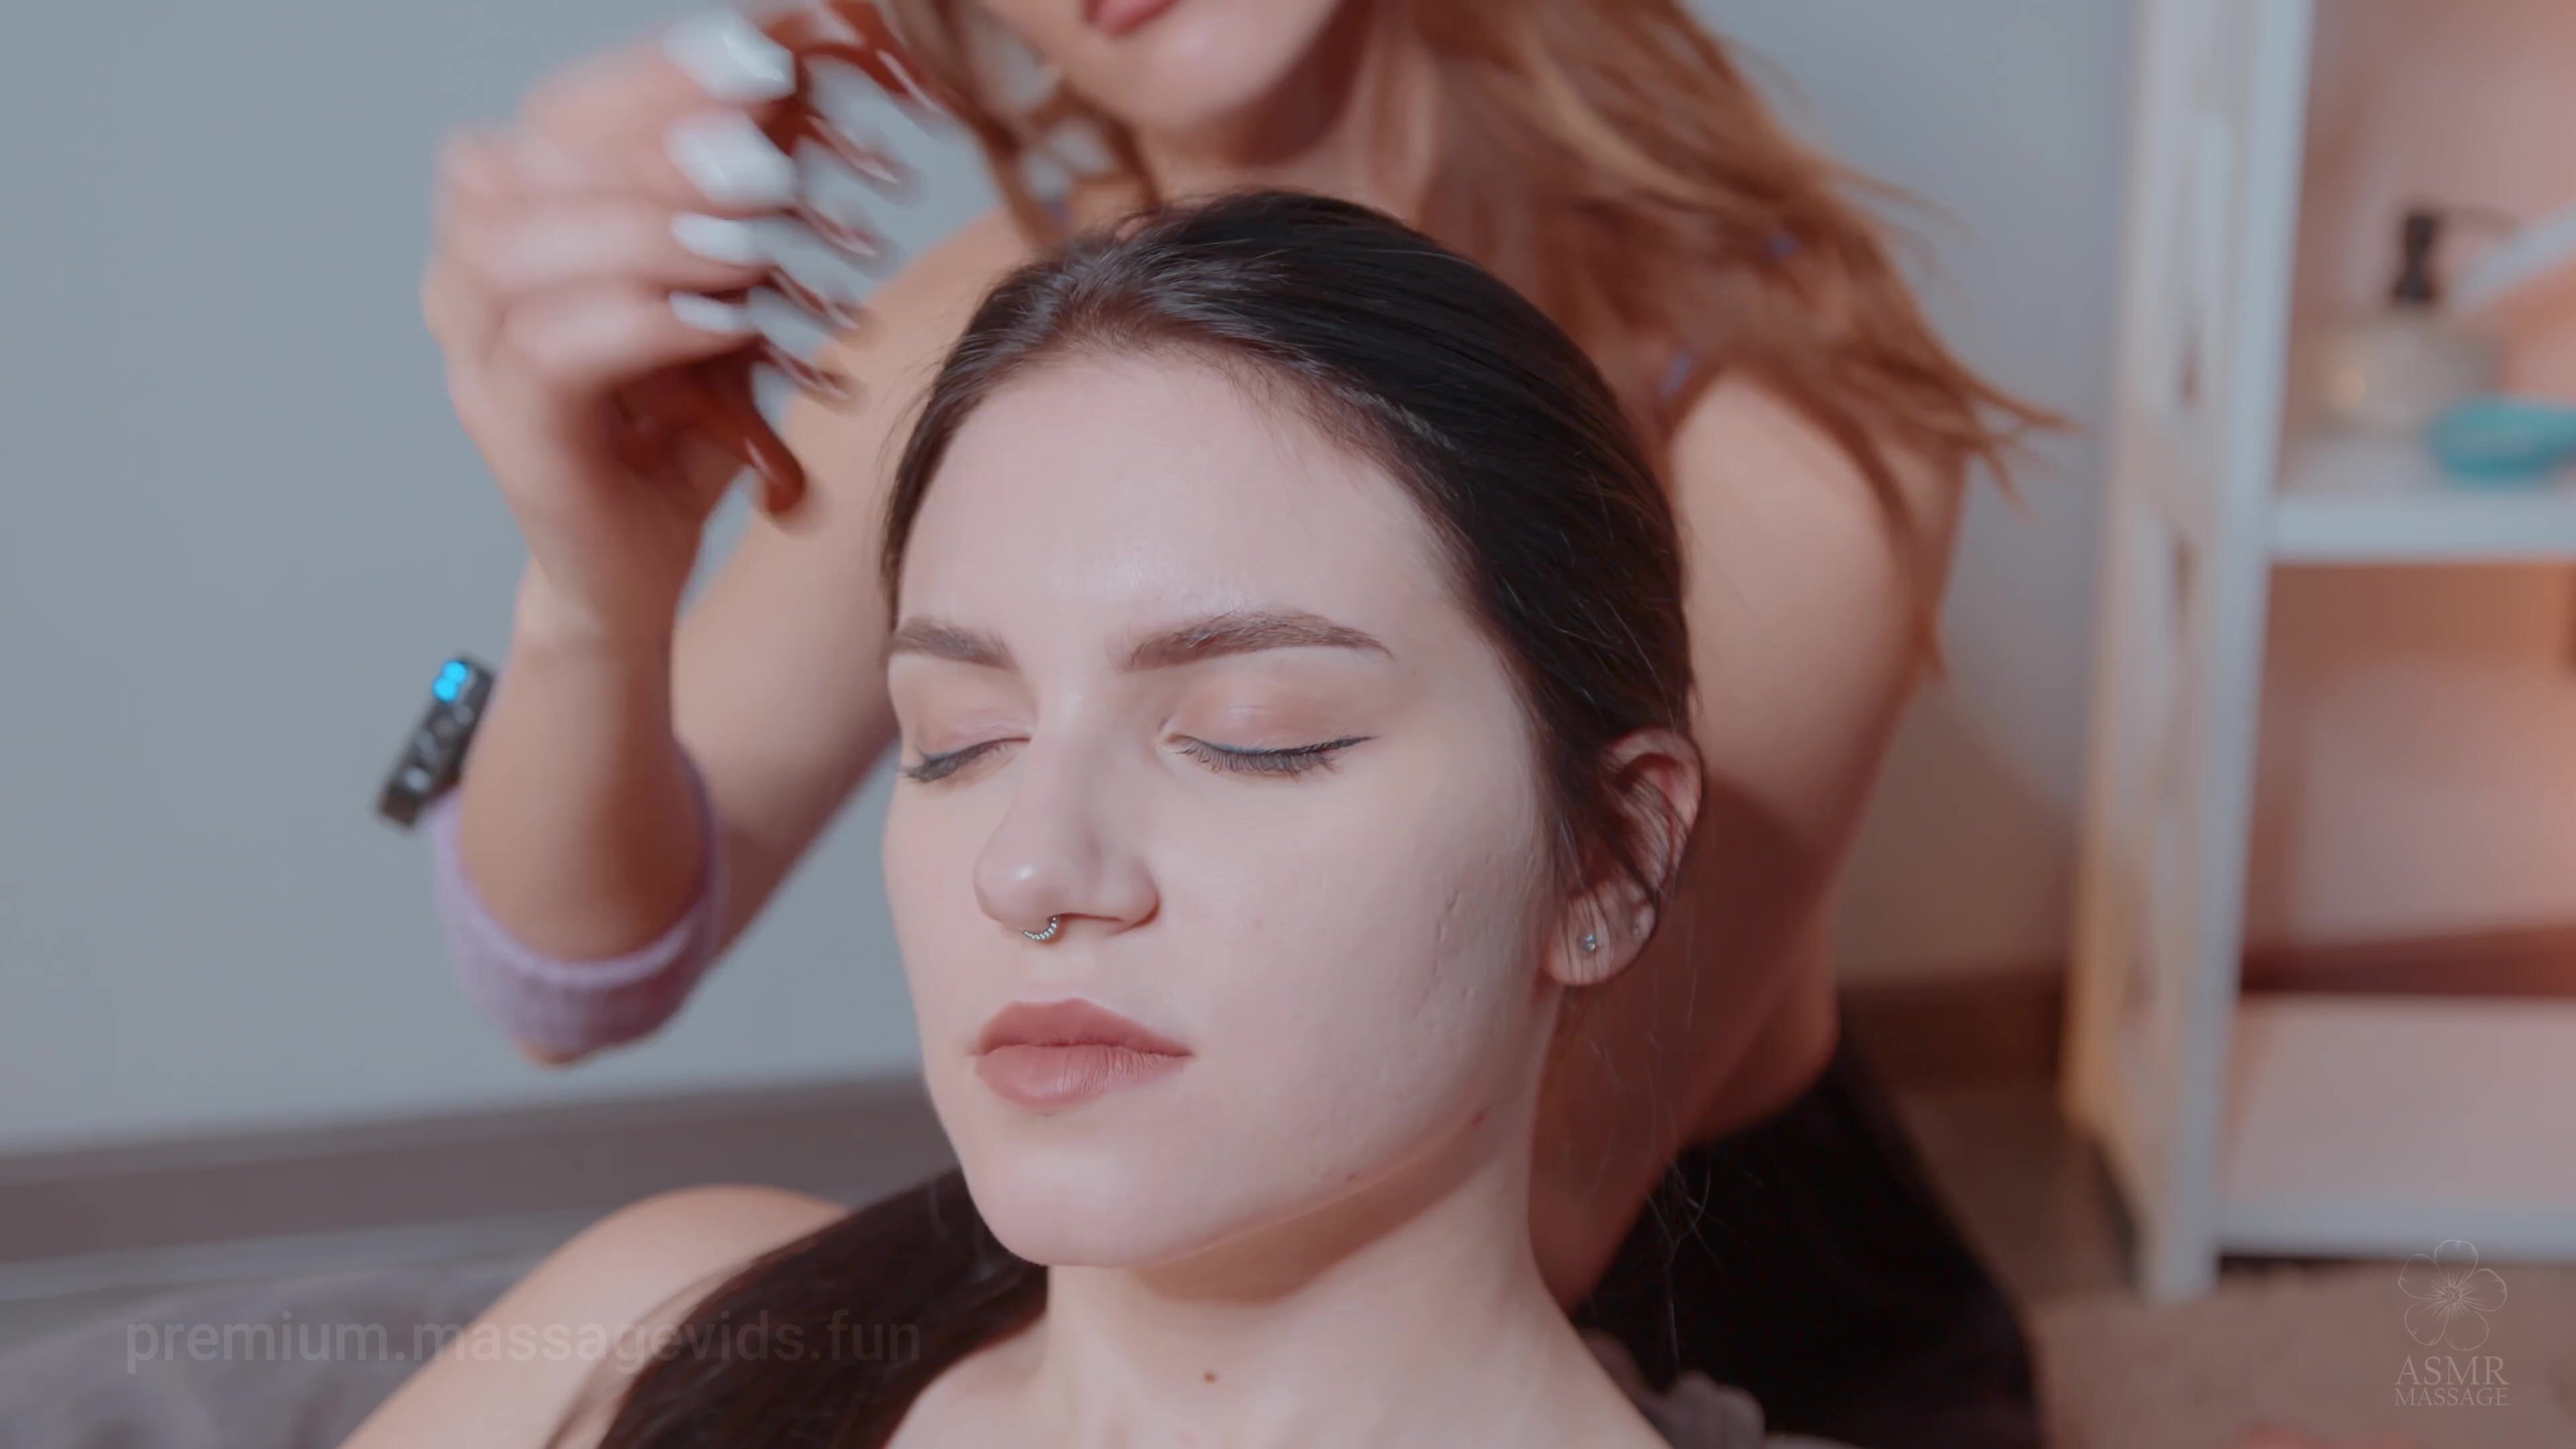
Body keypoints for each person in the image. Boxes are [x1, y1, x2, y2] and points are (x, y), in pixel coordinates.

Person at [417, 3, 2054, 1442]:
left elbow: (1490, 1239)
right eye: (961, 736)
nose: (1027, 869)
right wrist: (592, 599)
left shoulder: (1780, 433)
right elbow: (568, 972)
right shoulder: (1022, 338)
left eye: (1260, 732)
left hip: (1693, 1298)